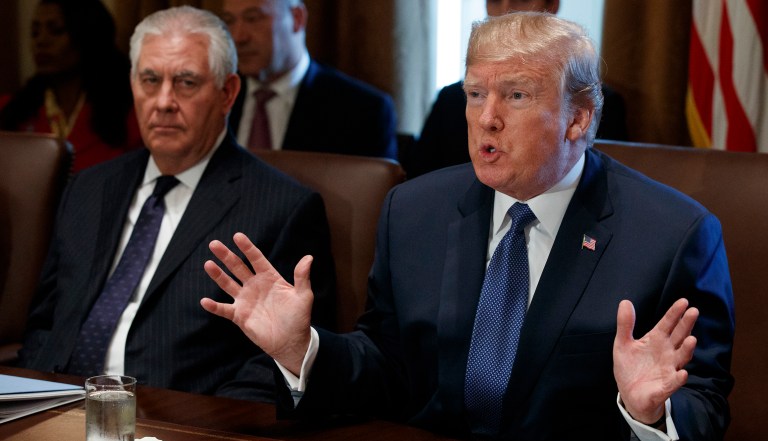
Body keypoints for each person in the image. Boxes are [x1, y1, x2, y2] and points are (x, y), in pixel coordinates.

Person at [201, 12, 734, 441]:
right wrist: (301, 350)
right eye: (475, 94)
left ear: (578, 117)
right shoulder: (415, 210)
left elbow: (703, 407)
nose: (486, 118)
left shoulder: (672, 236)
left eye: (517, 95)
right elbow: (388, 368)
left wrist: (648, 414)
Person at [18, 5, 335, 402]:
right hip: (55, 407)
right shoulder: (89, 187)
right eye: (150, 80)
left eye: (186, 82)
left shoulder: (283, 208)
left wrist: (199, 424)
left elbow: (281, 357)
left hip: (176, 418)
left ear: (227, 93)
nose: (163, 101)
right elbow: (45, 323)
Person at [408, 0, 628, 178]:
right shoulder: (451, 100)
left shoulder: (593, 101)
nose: (506, 10)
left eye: (517, 96)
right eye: (476, 94)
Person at [221, 0, 398, 159]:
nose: (238, 37)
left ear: (297, 18)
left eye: (253, 19)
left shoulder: (362, 111)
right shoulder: (217, 96)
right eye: (229, 21)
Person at [0, 0, 142, 174]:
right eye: (35, 33)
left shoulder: (127, 110)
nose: (41, 41)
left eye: (56, 30)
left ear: (88, 35)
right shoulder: (13, 111)